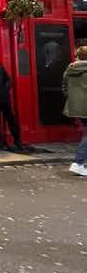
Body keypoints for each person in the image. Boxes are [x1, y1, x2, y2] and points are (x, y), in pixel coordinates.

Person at [62, 43, 87, 177]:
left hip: (76, 107)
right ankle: (78, 163)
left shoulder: (70, 69)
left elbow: (64, 88)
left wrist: (75, 100)